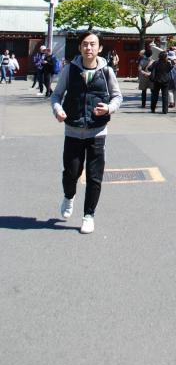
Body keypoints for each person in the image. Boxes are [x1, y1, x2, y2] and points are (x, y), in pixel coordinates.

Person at [51, 30, 122, 234]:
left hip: (97, 131)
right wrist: (58, 110)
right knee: (71, 172)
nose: (88, 48)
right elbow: (56, 95)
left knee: (94, 176)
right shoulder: (69, 70)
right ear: (80, 47)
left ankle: (89, 215)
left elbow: (117, 97)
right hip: (72, 129)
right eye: (85, 44)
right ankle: (69, 195)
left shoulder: (107, 71)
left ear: (99, 48)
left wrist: (108, 108)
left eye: (93, 44)